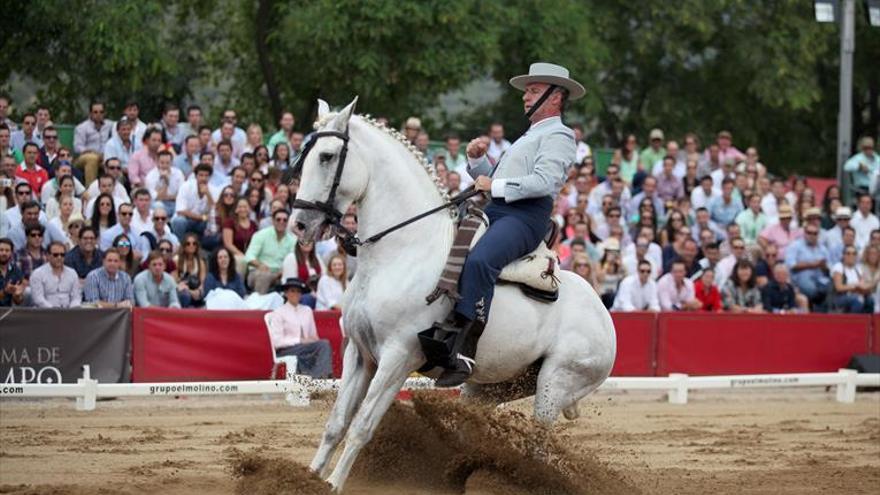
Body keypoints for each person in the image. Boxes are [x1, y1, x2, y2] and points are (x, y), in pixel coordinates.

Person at [423, 63, 584, 386]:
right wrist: (478, 163)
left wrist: (491, 185)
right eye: (527, 91)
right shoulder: (531, 134)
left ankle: (465, 350)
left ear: (555, 97)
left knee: (482, 260)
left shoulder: (561, 135)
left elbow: (543, 182)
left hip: (525, 217)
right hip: (498, 210)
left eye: (533, 91)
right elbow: (497, 180)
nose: (525, 97)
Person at [265, 277, 333, 379]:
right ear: (286, 293)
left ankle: (319, 379)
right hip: (286, 350)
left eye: (298, 291)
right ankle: (320, 380)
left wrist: (312, 342)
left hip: (305, 348)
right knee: (321, 346)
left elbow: (313, 336)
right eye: (292, 291)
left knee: (323, 344)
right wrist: (299, 340)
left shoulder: (307, 310)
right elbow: (277, 342)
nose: (295, 294)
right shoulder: (278, 312)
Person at [245, 209, 296, 294]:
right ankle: (257, 305)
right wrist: (260, 265)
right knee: (264, 276)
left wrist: (282, 272)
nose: (281, 222)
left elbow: (293, 260)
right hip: (259, 272)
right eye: (278, 219)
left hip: (280, 274)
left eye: (285, 220)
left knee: (293, 278)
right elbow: (249, 256)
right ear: (273, 221)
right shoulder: (261, 235)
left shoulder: (292, 240)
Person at [786, 225, 831, 310]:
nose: (812, 235)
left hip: (819, 277)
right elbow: (792, 265)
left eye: (815, 233)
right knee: (812, 289)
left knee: (830, 288)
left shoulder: (823, 248)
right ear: (804, 233)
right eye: (809, 233)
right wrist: (812, 264)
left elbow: (829, 268)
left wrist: (824, 266)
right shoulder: (795, 246)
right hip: (800, 276)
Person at [30, 241, 81, 308]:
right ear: (47, 255)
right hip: (45, 313)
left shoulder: (72, 273)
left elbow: (76, 297)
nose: (59, 257)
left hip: (69, 312)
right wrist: (53, 309)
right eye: (55, 255)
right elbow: (38, 299)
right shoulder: (37, 274)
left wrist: (72, 309)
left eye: (62, 255)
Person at [73, 101, 113, 186]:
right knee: (92, 159)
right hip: (85, 157)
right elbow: (77, 147)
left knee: (114, 162)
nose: (98, 114)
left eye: (101, 112)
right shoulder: (82, 127)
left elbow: (125, 125)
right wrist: (91, 151)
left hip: (104, 157)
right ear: (90, 113)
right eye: (95, 112)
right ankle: (90, 191)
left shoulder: (110, 125)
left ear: (104, 113)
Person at [172, 164, 214, 238]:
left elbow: (214, 210)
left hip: (201, 223)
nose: (203, 178)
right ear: (196, 176)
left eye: (206, 176)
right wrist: (202, 217)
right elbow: (181, 210)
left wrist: (208, 194)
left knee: (212, 224)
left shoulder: (212, 189)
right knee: (179, 221)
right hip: (186, 220)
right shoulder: (186, 186)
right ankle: (179, 245)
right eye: (201, 175)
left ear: (210, 177)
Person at [831, 246, 873, 313]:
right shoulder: (839, 267)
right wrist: (855, 286)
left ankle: (868, 322)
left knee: (870, 300)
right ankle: (853, 322)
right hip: (840, 297)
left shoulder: (858, 269)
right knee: (857, 299)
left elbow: (864, 284)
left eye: (854, 253)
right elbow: (839, 287)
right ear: (843, 255)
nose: (851, 256)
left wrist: (866, 287)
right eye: (848, 253)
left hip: (857, 294)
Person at [223, 197, 257, 276]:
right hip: (234, 255)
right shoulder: (229, 222)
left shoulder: (253, 224)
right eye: (240, 207)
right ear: (236, 209)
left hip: (249, 255)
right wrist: (242, 255)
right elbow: (228, 244)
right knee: (241, 260)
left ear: (249, 209)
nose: (243, 209)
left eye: (245, 207)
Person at [145, 150, 184, 215]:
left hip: (175, 203)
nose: (165, 165)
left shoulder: (178, 173)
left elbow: (181, 195)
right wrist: (166, 181)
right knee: (158, 206)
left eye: (167, 163)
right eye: (162, 163)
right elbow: (158, 198)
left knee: (182, 207)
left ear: (171, 162)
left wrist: (167, 196)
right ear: (157, 162)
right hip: (158, 203)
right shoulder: (150, 176)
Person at [173, 233, 206, 307]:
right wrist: (190, 291)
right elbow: (173, 281)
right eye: (188, 244)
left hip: (196, 288)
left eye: (194, 243)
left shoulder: (200, 262)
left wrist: (199, 291)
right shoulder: (176, 260)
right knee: (185, 295)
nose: (191, 246)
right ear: (184, 246)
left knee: (204, 294)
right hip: (181, 289)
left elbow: (202, 282)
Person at [0, 237, 26, 306]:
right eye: (1, 250)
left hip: (9, 311)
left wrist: (17, 295)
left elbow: (18, 302)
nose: (4, 253)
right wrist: (5, 292)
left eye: (7, 250)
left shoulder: (16, 270)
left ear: (11, 253)